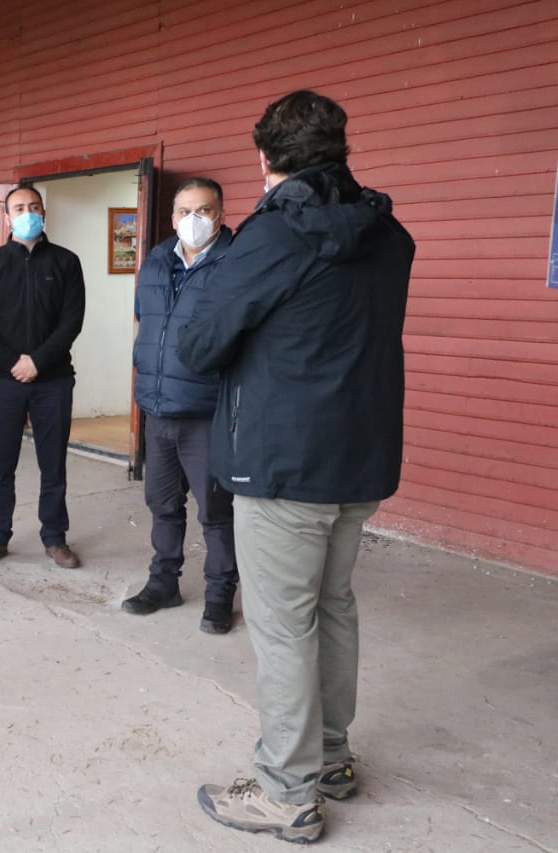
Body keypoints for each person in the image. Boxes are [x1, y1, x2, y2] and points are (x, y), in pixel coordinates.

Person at [180, 90, 415, 843]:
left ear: (265, 157)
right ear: (341, 150)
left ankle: (285, 790)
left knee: (285, 627)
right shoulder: (390, 235)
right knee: (334, 605)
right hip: (361, 457)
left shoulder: (272, 237)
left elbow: (197, 344)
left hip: (283, 461)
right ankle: (333, 760)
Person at [122, 178, 239, 634]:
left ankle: (219, 596)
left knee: (215, 511)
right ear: (172, 218)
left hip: (205, 411)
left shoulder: (235, 264)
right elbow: (145, 323)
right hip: (156, 407)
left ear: (222, 213)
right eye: (185, 212)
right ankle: (163, 583)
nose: (193, 220)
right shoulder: (154, 262)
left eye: (204, 210)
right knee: (162, 504)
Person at [0, 185, 86, 570]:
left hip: (53, 380)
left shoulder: (66, 262)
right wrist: (13, 363)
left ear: (44, 212)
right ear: (6, 217)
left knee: (53, 465)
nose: (27, 212)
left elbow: (72, 321)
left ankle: (55, 538)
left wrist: (37, 361)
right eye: (19, 207)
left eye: (34, 206)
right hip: (3, 381)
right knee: (1, 465)